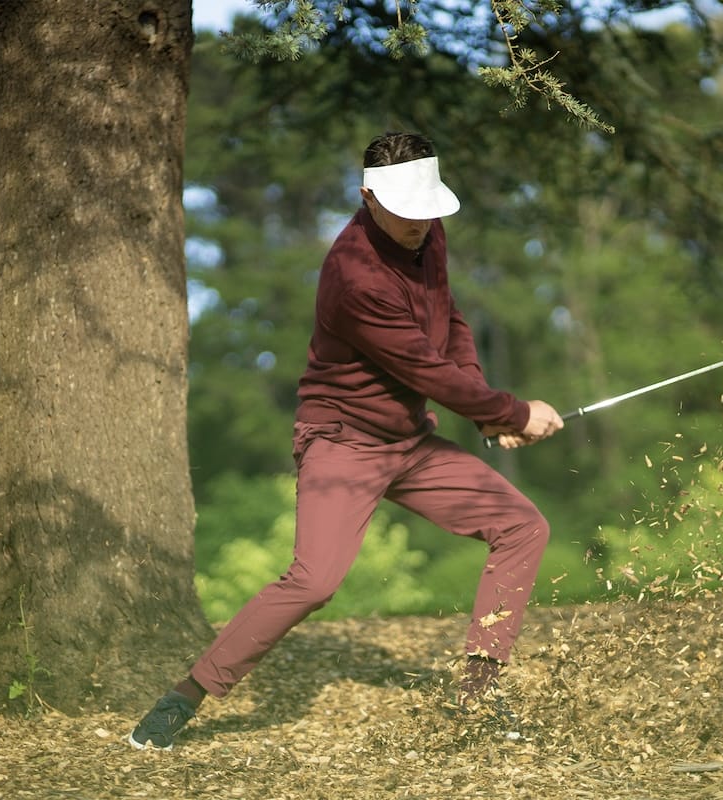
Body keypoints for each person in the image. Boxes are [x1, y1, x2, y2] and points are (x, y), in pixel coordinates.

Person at [129, 131, 564, 750]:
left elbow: (449, 320)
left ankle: (479, 692)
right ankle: (185, 696)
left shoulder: (427, 230)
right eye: (407, 213)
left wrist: (485, 411)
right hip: (344, 442)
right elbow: (426, 370)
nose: (420, 224)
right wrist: (515, 412)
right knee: (314, 581)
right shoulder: (354, 277)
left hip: (410, 440)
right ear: (367, 197)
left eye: (427, 210)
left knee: (522, 526)